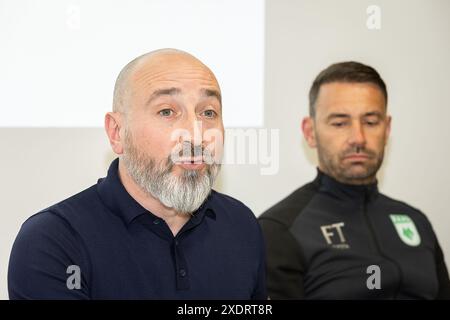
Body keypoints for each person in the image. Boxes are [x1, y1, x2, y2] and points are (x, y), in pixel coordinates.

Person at [8, 49, 266, 299]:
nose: (196, 135)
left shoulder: (241, 225)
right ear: (117, 132)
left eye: (208, 112)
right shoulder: (54, 240)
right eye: (167, 112)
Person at [259, 61, 450, 299]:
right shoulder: (279, 229)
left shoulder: (416, 222)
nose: (358, 138)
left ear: (387, 129)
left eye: (370, 122)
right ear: (310, 132)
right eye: (340, 123)